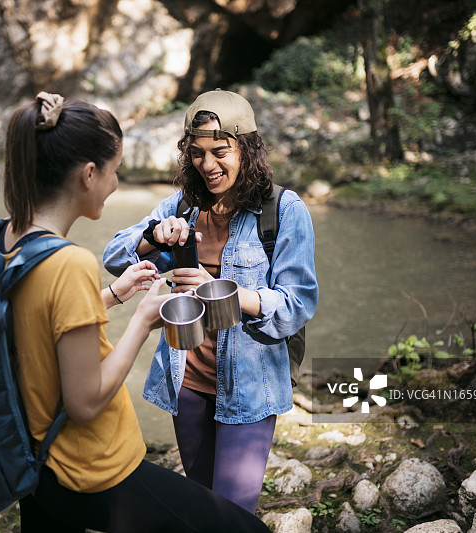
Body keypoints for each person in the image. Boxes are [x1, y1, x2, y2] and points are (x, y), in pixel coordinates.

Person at [0, 91, 270, 532]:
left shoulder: (4, 238)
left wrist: (112, 295)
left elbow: (35, 325)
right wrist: (144, 320)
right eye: (115, 170)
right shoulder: (69, 261)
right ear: (89, 174)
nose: (117, 183)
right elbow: (85, 402)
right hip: (91, 465)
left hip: (35, 459)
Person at [103, 89, 318, 514]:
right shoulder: (183, 205)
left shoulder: (283, 210)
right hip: (187, 384)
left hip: (251, 388)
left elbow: (296, 305)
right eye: (198, 153)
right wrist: (153, 235)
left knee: (234, 517)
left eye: (220, 151)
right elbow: (114, 257)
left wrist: (223, 289)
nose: (208, 165)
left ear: (248, 148)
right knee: (202, 512)